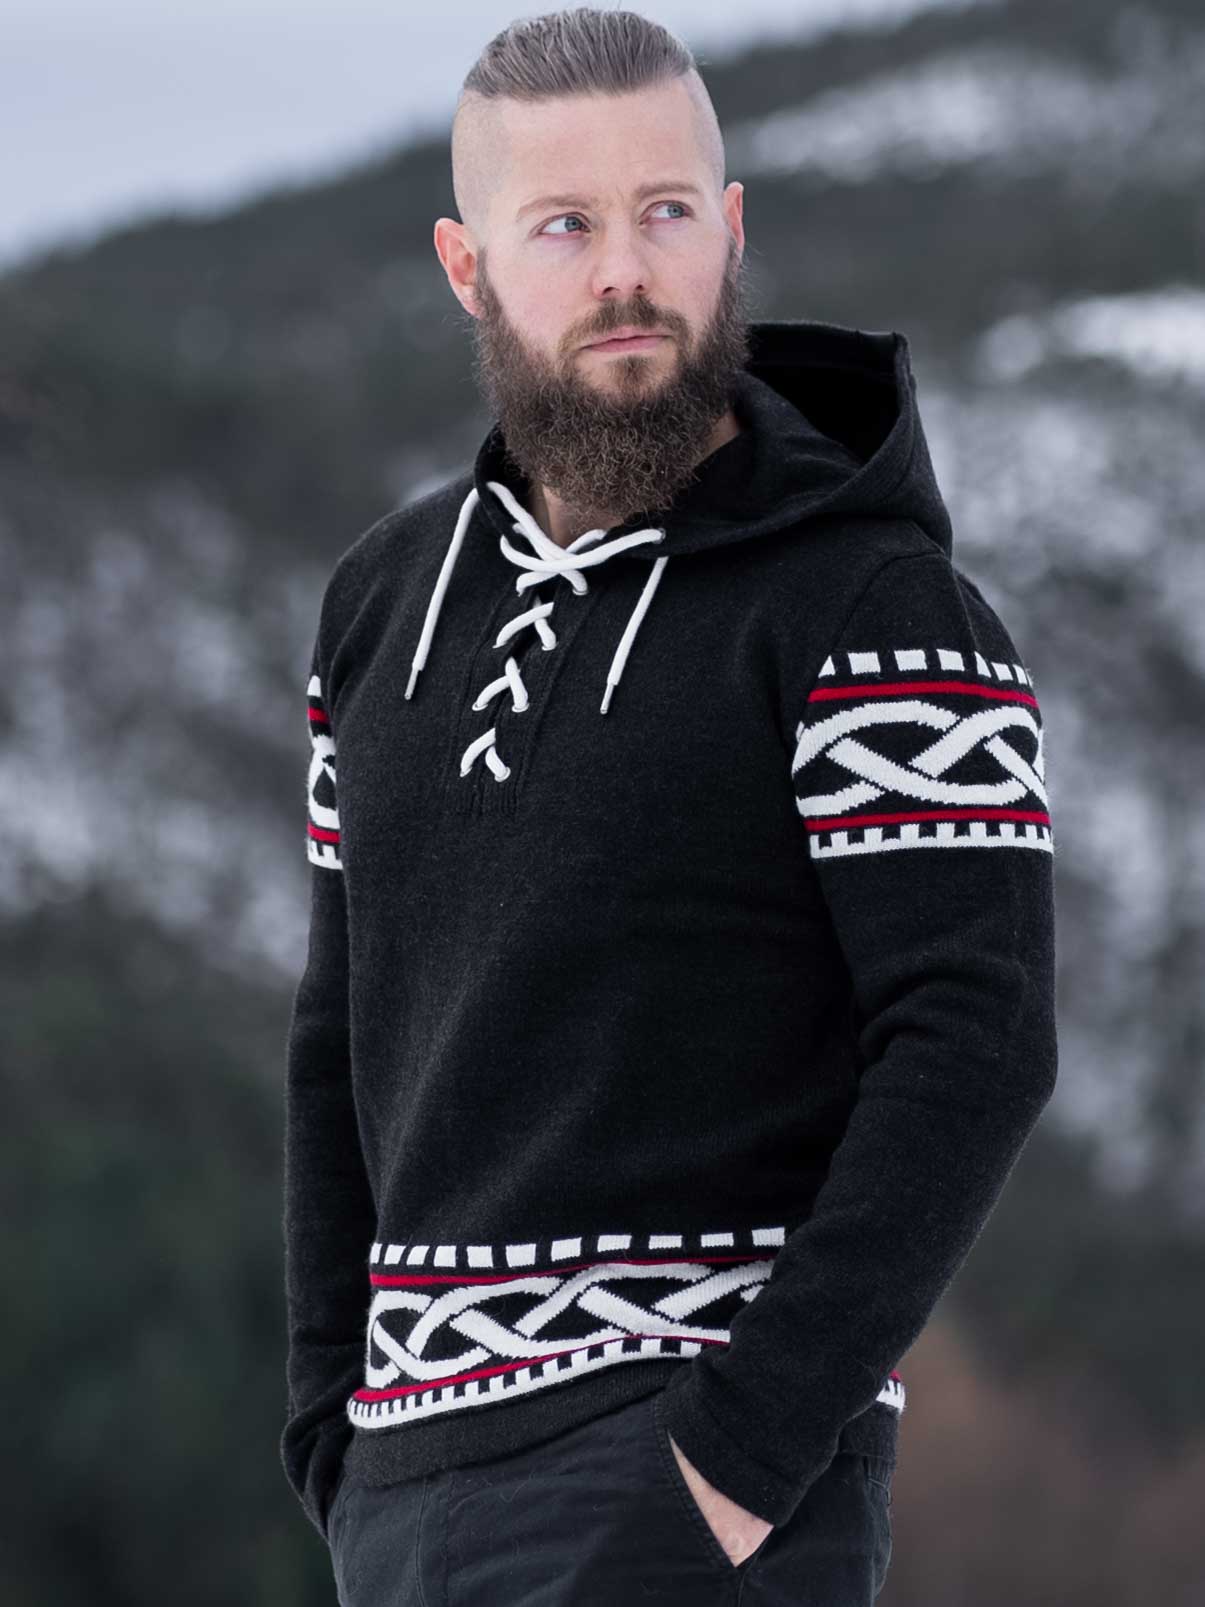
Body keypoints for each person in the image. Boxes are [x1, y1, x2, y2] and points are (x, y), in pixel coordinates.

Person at [279, 9, 1059, 1604]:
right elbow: (334, 1034)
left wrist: (740, 1452)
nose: (625, 271)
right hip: (404, 1496)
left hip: (684, 1482)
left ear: (730, 227)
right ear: (466, 265)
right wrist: (327, 1430)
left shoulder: (876, 608)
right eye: (564, 225)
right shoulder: (378, 605)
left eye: (664, 212)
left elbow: (975, 1041)